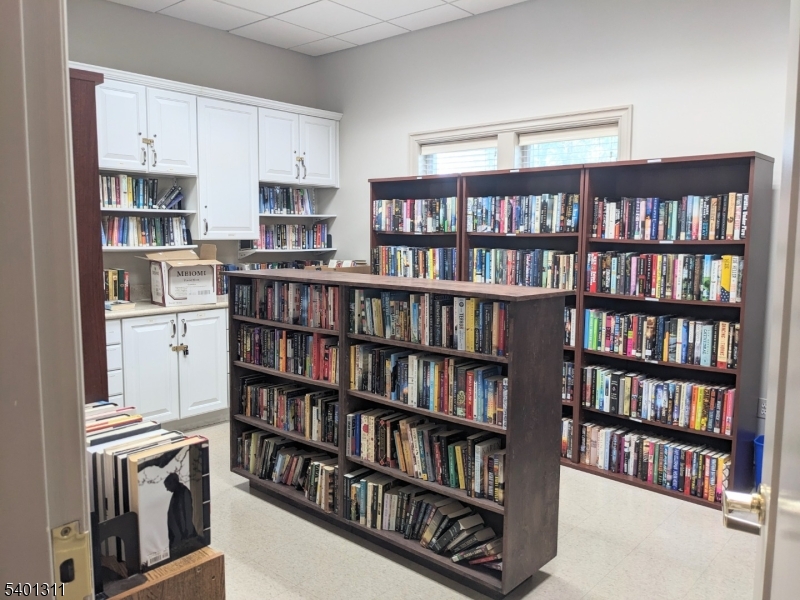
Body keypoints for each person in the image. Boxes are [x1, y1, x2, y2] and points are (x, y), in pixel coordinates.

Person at [163, 472, 197, 552]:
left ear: (173, 482)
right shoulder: (177, 493)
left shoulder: (183, 492)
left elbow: (187, 512)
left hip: (183, 535)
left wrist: (187, 532)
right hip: (178, 535)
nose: (167, 489)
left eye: (168, 486)